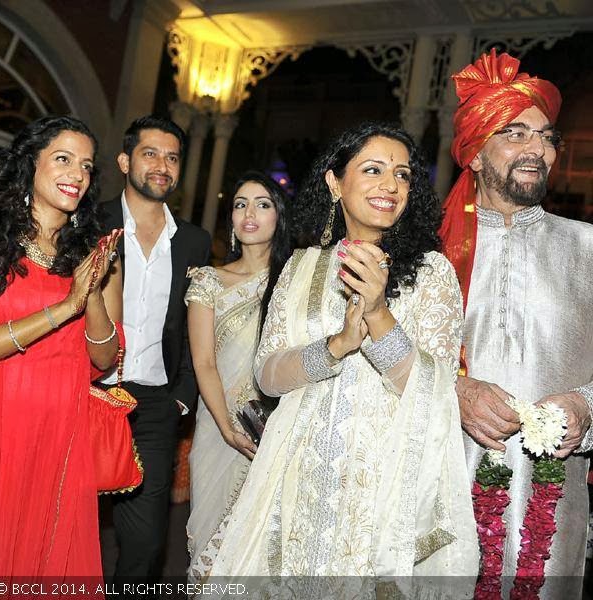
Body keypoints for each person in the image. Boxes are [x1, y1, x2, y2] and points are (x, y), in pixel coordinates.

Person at [210, 122, 479, 596]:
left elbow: (430, 387)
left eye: (402, 175)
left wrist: (378, 316)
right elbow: (267, 376)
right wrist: (336, 345)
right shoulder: (300, 265)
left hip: (383, 478)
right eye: (373, 170)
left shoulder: (432, 271)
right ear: (335, 182)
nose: (391, 186)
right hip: (298, 472)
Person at [440, 49, 593, 596]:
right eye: (517, 134)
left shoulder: (588, 248)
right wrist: (451, 391)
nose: (539, 150)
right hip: (440, 494)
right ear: (476, 154)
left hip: (554, 504)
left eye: (547, 137)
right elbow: (381, 367)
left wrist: (585, 406)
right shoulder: (429, 255)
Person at [0, 116, 122, 578]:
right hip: (0, 423)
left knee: (47, 559)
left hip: (62, 432)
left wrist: (89, 294)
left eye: (86, 167)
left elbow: (106, 358)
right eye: (63, 160)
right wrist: (65, 306)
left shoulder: (95, 253)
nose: (77, 176)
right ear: (31, 163)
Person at [100, 115, 211, 579]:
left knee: (145, 545)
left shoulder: (193, 241)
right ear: (126, 160)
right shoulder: (90, 221)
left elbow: (192, 324)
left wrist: (181, 395)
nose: (162, 165)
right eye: (150, 153)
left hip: (153, 407)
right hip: (86, 392)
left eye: (172, 156)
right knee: (64, 521)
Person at [185, 171, 292, 580]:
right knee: (209, 540)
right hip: (218, 425)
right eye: (240, 204)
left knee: (259, 551)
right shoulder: (208, 280)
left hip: (277, 427)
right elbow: (204, 363)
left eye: (263, 204)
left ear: (278, 217)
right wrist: (228, 427)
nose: (249, 213)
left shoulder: (294, 281)